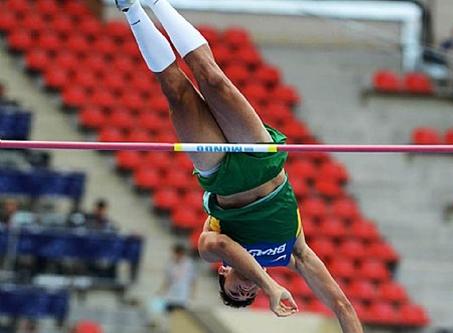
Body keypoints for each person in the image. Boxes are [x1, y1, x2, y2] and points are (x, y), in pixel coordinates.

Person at [116, 0, 363, 331]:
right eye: (248, 295)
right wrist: (270, 283)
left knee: (182, 89)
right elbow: (343, 306)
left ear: (223, 272)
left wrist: (269, 286)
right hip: (262, 161)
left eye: (237, 290)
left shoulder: (210, 249)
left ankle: (133, 8)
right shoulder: (293, 254)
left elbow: (224, 246)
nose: (247, 290)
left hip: (220, 175)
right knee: (213, 81)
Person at [158, 244, 196, 312]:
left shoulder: (189, 264)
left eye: (174, 253)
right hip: (170, 295)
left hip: (182, 296)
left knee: (180, 317)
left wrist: (192, 293)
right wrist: (161, 291)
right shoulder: (170, 264)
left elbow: (193, 280)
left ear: (180, 253)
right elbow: (167, 280)